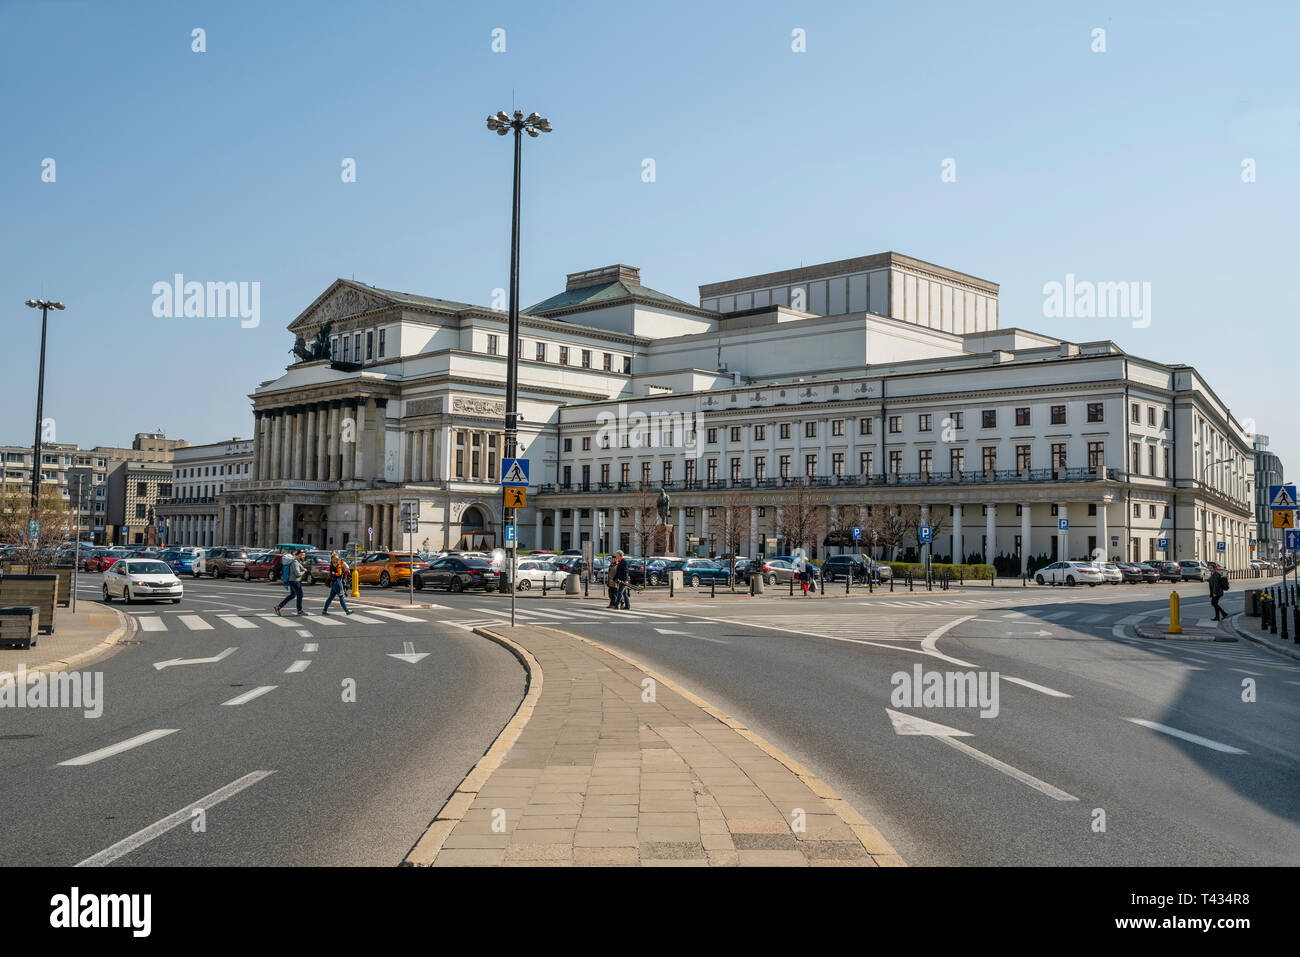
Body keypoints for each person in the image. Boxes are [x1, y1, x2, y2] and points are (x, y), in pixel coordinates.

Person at [275, 549, 308, 616]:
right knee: (300, 595)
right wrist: (304, 571)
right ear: (298, 555)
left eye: (304, 555)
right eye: (302, 555)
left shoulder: (296, 562)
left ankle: (278, 607)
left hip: (293, 581)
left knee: (292, 595)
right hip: (295, 581)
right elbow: (297, 574)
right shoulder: (295, 562)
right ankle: (299, 611)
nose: (303, 556)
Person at [323, 550, 355, 616]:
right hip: (338, 583)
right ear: (334, 559)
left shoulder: (332, 564)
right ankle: (347, 611)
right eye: (337, 558)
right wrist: (345, 567)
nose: (338, 559)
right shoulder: (338, 565)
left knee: (330, 598)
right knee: (341, 597)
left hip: (333, 583)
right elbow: (345, 572)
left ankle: (324, 610)